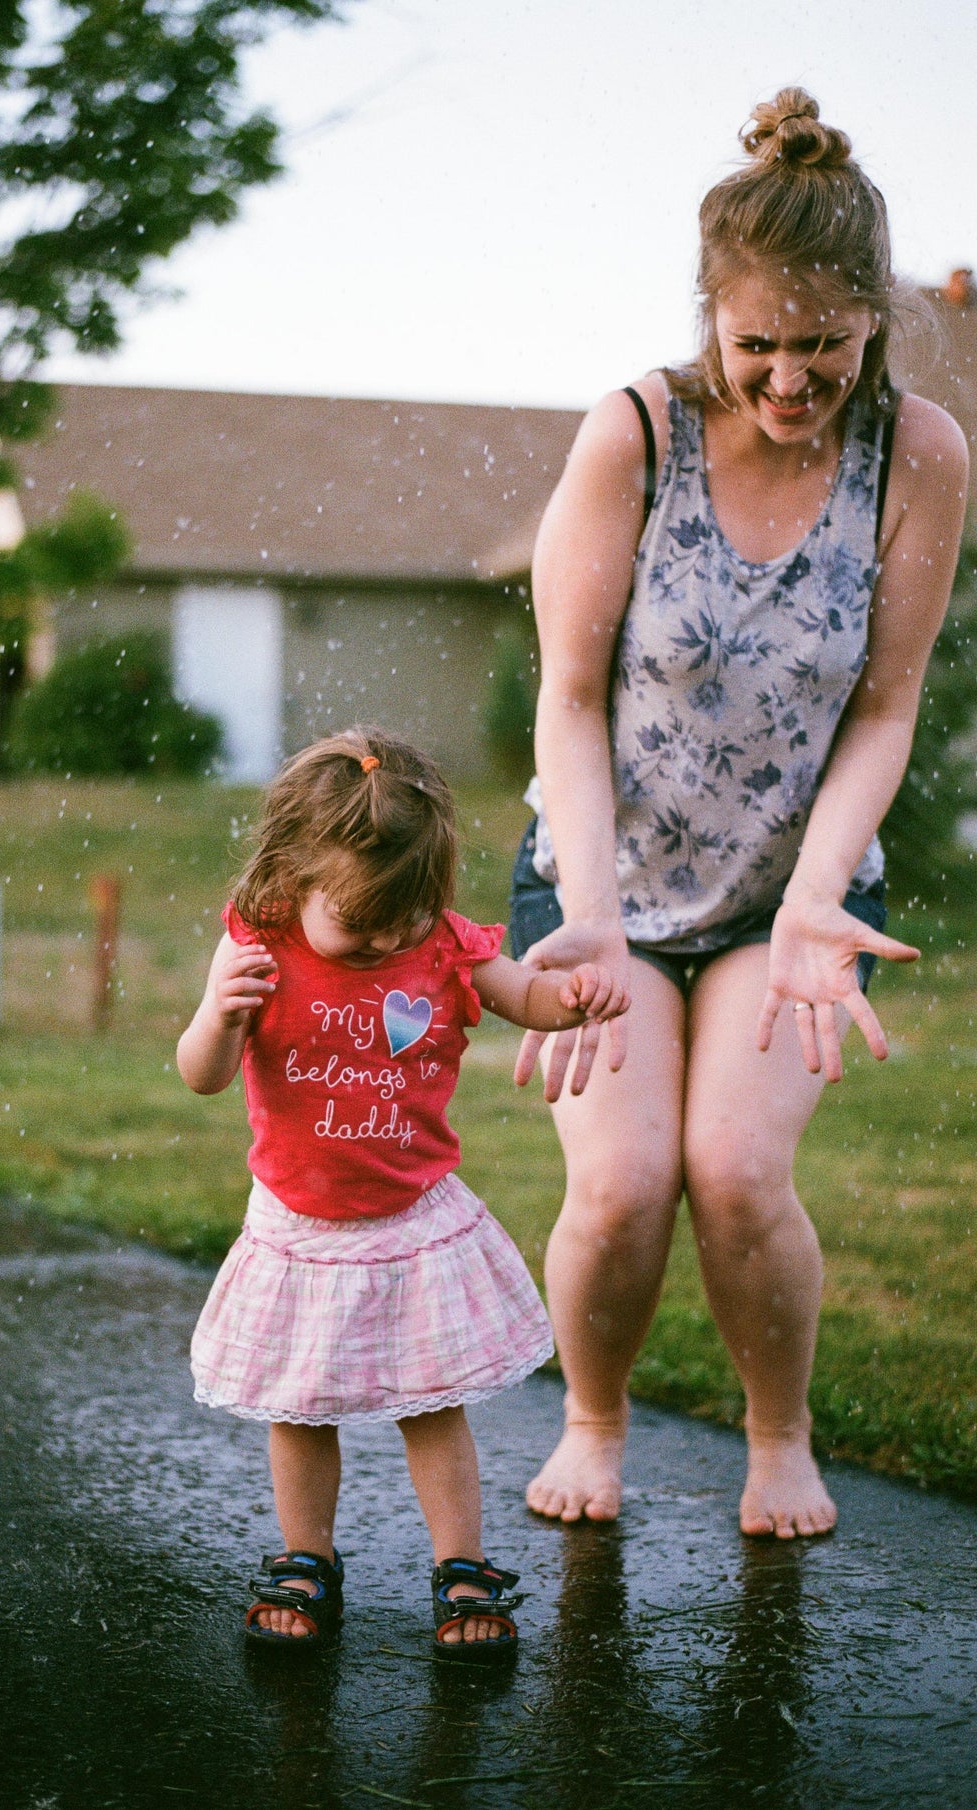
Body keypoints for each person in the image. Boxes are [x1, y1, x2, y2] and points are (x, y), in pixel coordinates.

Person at [510, 88, 968, 1540]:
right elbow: (568, 694)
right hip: (606, 881)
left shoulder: (920, 454)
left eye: (821, 342)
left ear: (874, 317)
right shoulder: (635, 434)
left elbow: (885, 706)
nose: (786, 376)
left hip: (796, 891)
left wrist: (821, 891)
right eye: (756, 340)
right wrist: (589, 912)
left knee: (739, 1172)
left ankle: (781, 1439)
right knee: (624, 1182)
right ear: (711, 313)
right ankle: (594, 1422)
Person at [177, 727, 627, 1657]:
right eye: (361, 923)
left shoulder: (443, 948)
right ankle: (306, 1557)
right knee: (300, 1409)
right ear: (291, 875)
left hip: (412, 1219)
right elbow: (203, 1076)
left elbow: (524, 995)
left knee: (431, 1404)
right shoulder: (258, 946)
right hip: (300, 1226)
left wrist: (574, 997)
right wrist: (218, 1013)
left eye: (406, 919)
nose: (387, 940)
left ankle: (461, 1564)